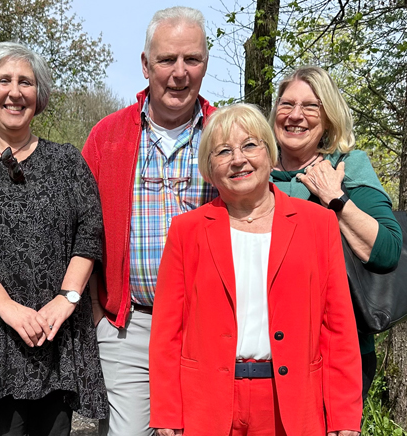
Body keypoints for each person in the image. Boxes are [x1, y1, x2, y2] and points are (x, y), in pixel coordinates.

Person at [149, 103, 363, 436]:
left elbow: (337, 327)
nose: (238, 159)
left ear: (269, 152)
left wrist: (344, 414)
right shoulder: (186, 231)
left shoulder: (318, 224)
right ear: (209, 167)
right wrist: (166, 411)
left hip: (290, 403)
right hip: (207, 403)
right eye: (223, 151)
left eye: (250, 145)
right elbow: (167, 331)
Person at [0, 42, 108, 435]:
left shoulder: (67, 162)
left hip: (56, 337)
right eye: (4, 80)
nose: (15, 92)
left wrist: (66, 301)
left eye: (26, 82)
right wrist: (11, 310)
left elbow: (90, 231)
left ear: (39, 95)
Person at [82, 6, 217, 436]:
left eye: (191, 59)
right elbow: (79, 229)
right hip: (130, 323)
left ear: (205, 63)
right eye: (167, 60)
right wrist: (95, 313)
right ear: (145, 65)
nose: (179, 73)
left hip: (210, 323)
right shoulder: (109, 135)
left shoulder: (225, 134)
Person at [269, 66, 402, 400]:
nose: (295, 116)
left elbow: (387, 250)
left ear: (327, 118)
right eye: (286, 105)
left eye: (310, 107)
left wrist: (336, 198)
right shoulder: (255, 172)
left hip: (335, 351)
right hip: (264, 351)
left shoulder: (347, 166)